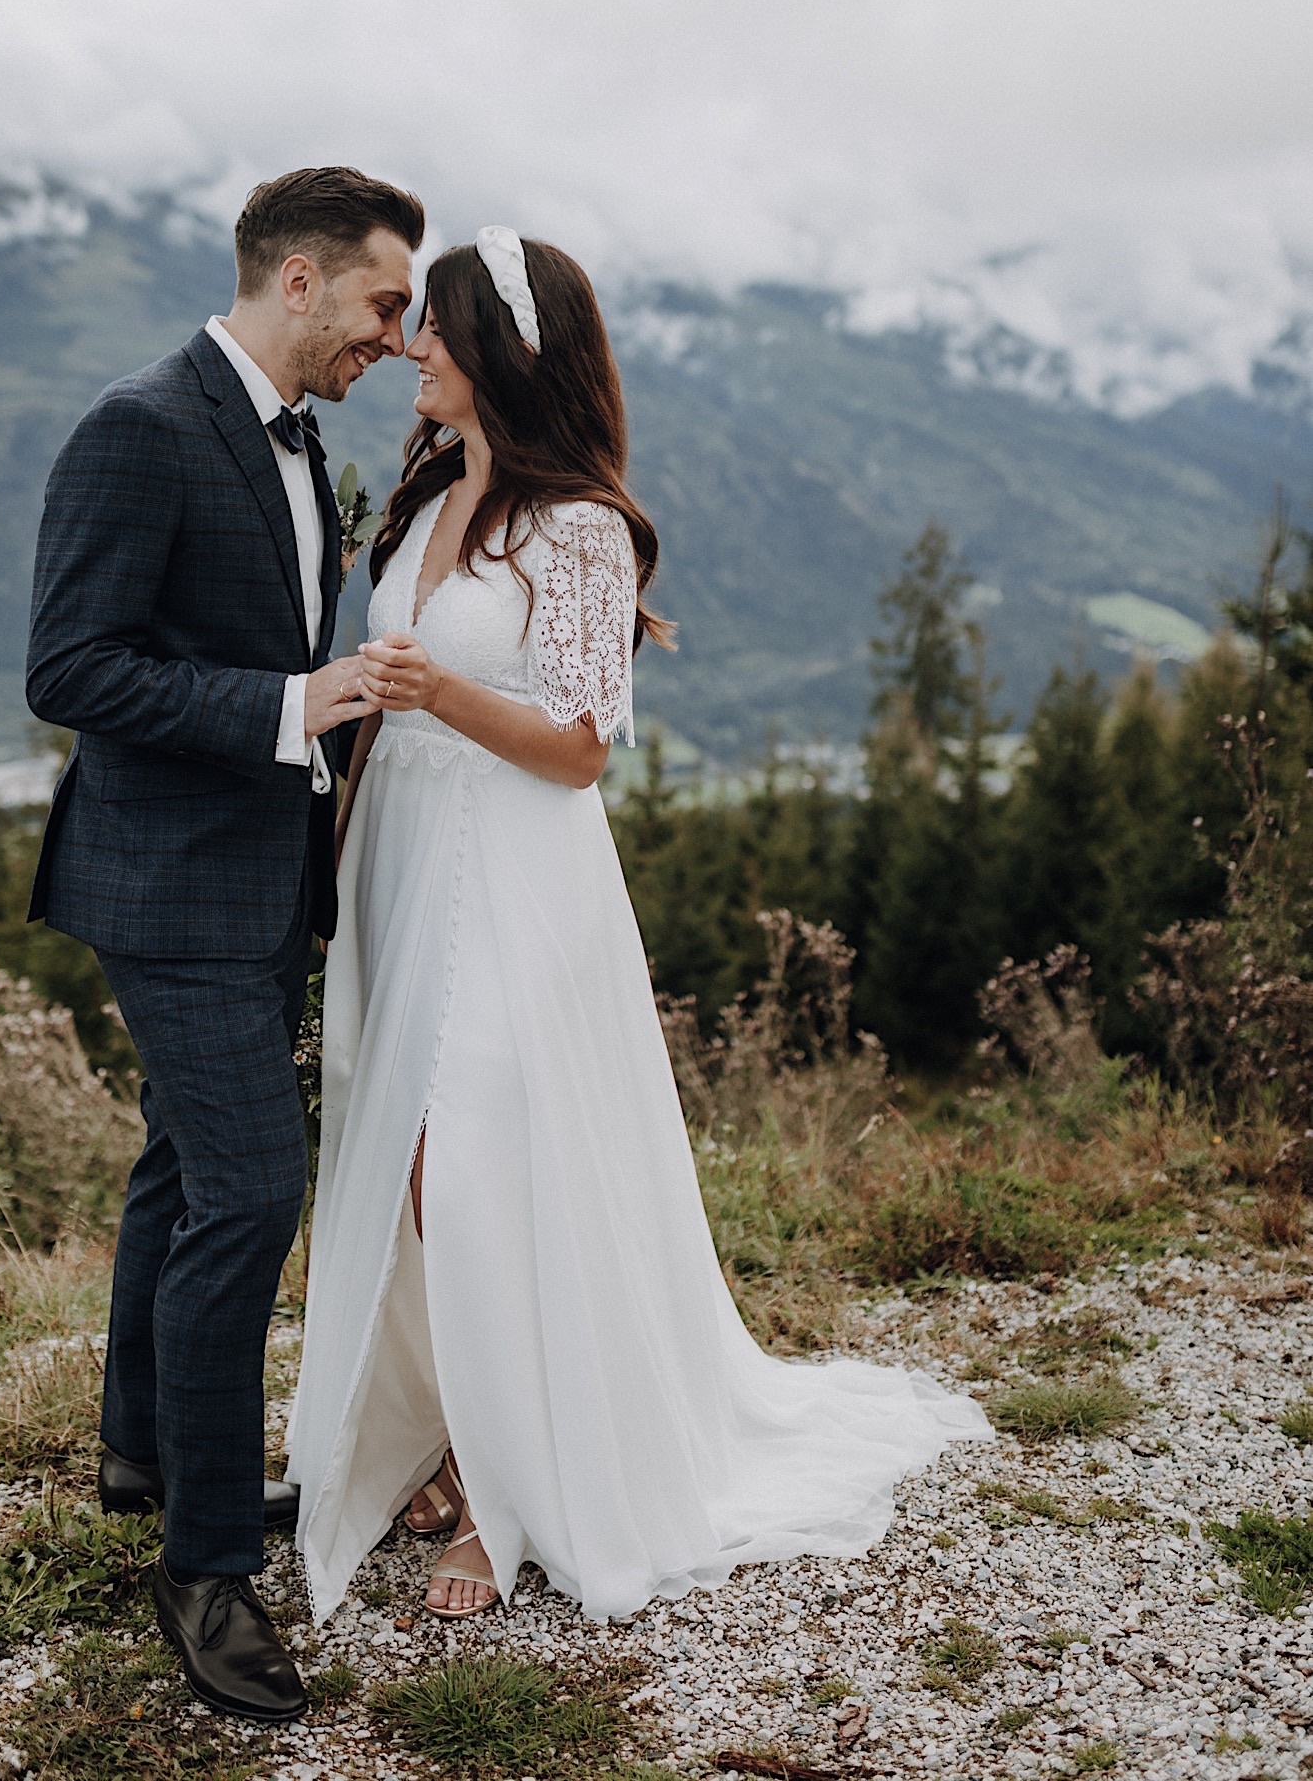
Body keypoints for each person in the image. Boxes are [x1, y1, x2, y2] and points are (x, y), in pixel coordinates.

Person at [285, 228, 991, 1627]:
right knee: (400, 1144)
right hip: (401, 861)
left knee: (476, 1150)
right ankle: (443, 1414)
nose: (415, 347)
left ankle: (506, 1485)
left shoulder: (582, 529)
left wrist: (435, 695)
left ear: (499, 354)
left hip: (517, 874)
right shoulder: (426, 500)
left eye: (438, 328)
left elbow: (580, 746)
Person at [26, 165, 424, 1719]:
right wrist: (287, 706)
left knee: (185, 1168)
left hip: (263, 878)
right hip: (166, 885)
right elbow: (69, 664)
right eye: (386, 303)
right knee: (255, 1190)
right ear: (304, 279)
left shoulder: (303, 438)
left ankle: (142, 1447)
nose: (396, 338)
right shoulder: (139, 424)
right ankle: (203, 1564)